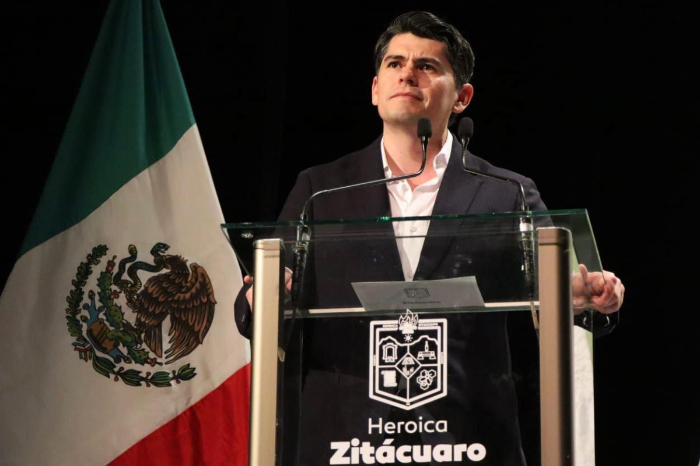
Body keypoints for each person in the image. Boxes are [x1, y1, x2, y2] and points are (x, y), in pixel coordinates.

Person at [235, 11, 624, 465]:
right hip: (347, 442)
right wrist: (263, 297)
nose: (407, 74)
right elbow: (262, 300)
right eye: (395, 64)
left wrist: (581, 296)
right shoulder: (320, 190)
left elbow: (562, 287)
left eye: (427, 66)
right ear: (375, 89)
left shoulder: (507, 191)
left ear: (462, 97)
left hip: (468, 439)